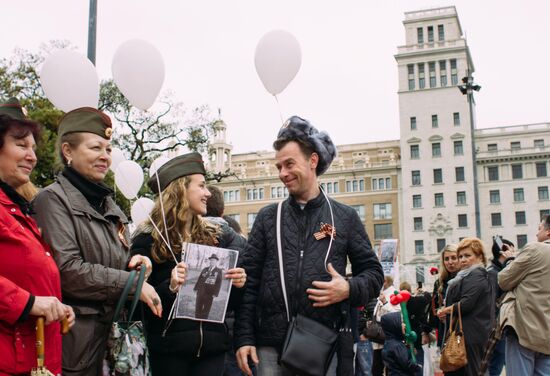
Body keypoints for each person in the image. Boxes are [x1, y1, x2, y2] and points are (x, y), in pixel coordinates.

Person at [234, 116, 384, 376]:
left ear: (313, 161)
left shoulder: (344, 217)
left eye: (289, 164)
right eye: (279, 166)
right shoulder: (268, 217)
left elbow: (373, 274)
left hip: (321, 344)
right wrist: (245, 338)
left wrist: (348, 288)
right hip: (270, 346)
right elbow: (249, 282)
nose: (283, 173)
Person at [33, 107, 162, 376]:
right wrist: (131, 283)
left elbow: (110, 261)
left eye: (108, 149)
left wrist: (134, 264)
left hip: (112, 344)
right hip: (76, 347)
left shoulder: (109, 204)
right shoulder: (52, 200)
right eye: (95, 148)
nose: (105, 157)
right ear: (68, 151)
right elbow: (67, 270)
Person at [130, 152, 248, 376]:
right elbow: (138, 305)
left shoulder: (217, 237)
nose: (207, 193)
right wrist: (171, 286)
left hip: (212, 351)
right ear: (180, 189)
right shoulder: (147, 240)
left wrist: (238, 284)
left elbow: (229, 305)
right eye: (202, 186)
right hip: (168, 353)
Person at [0, 98, 75, 375]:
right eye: (21, 145)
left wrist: (55, 305)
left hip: (33, 357)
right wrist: (30, 304)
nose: (31, 155)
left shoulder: (16, 207)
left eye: (33, 147)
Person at [498, 216, 550, 375]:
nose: (536, 233)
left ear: (548, 232)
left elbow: (504, 280)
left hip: (524, 328)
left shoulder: (536, 249)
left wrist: (509, 261)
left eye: (539, 228)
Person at [437, 238, 494, 376]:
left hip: (470, 335)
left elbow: (466, 304)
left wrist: (447, 309)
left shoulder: (476, 275)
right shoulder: (467, 275)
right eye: (461, 256)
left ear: (479, 257)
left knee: (468, 371)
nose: (462, 260)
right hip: (467, 333)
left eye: (467, 256)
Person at [486, 237, 515, 376]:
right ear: (504, 251)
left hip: (500, 326)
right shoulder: (493, 273)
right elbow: (491, 302)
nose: (513, 253)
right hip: (497, 327)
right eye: (511, 249)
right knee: (495, 366)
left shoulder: (498, 271)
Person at [428, 244, 458, 348]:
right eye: (446, 259)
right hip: (444, 330)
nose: (450, 262)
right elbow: (434, 309)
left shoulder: (466, 279)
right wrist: (439, 313)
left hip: (461, 331)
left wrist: (450, 311)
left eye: (454, 258)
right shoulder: (439, 282)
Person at [399, 281, 431, 376]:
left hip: (403, 339)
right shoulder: (417, 301)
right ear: (410, 290)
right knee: (418, 365)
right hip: (416, 337)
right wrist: (423, 291)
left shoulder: (398, 303)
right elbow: (428, 297)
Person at [372, 275, 401, 376]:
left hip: (388, 338)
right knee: (376, 369)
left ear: (384, 281)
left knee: (389, 368)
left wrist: (384, 303)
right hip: (379, 338)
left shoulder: (394, 293)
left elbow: (397, 313)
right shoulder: (382, 293)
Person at [381, 311, 422, 376]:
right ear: (394, 325)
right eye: (401, 322)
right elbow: (406, 363)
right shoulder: (397, 346)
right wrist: (417, 367)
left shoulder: (389, 342)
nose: (404, 325)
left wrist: (408, 350)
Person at [194, 253, 224, 319]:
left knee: (207, 307)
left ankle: (204, 319)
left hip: (210, 293)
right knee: (198, 306)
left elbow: (219, 283)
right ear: (210, 261)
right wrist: (196, 288)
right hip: (201, 291)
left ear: (216, 262)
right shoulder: (205, 269)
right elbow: (200, 279)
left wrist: (215, 293)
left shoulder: (219, 271)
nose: (212, 261)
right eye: (211, 260)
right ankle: (197, 318)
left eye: (214, 260)